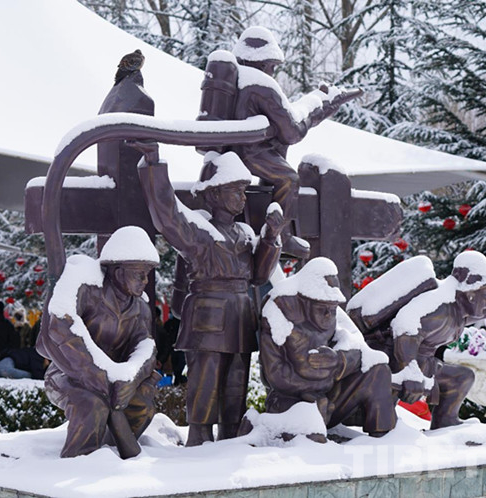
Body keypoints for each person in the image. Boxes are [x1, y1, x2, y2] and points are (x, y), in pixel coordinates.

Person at [133, 141, 285, 446]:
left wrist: (270, 237)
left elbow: (259, 275)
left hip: (240, 315)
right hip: (208, 315)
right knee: (205, 381)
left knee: (235, 384)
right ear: (214, 194)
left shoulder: (245, 234)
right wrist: (153, 163)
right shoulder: (199, 229)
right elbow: (167, 213)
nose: (242, 198)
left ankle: (230, 436)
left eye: (244, 191)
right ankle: (199, 437)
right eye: (235, 191)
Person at [350, 251, 486, 430]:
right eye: (483, 291)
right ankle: (379, 435)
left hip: (423, 363)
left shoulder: (458, 308)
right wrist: (409, 370)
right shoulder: (439, 306)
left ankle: (446, 424)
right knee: (381, 423)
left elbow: (485, 309)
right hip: (394, 361)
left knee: (460, 378)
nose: (485, 298)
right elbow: (405, 327)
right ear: (468, 292)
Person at [229, 27, 360, 258]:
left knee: (278, 160)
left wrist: (316, 103)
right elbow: (291, 132)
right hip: (250, 152)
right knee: (289, 179)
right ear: (263, 63)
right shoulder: (261, 86)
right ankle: (282, 234)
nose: (273, 71)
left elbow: (284, 121)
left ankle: (271, 221)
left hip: (235, 150)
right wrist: (320, 109)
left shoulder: (236, 82)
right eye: (272, 66)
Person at [37, 226, 161, 458]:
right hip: (68, 374)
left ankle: (110, 452)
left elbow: (145, 346)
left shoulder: (141, 307)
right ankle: (79, 462)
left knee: (142, 404)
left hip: (115, 382)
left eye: (147, 274)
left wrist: (130, 379)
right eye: (139, 274)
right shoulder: (85, 288)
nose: (145, 280)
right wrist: (98, 376)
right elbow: (61, 329)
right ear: (118, 272)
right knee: (91, 406)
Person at [257, 258, 396, 438]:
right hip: (291, 403)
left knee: (378, 369)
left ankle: (382, 439)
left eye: (332, 307)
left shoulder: (332, 309)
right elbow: (274, 376)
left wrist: (339, 361)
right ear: (305, 301)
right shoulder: (277, 313)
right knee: (313, 415)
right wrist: (316, 384)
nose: (328, 314)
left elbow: (361, 349)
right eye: (322, 308)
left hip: (329, 395)